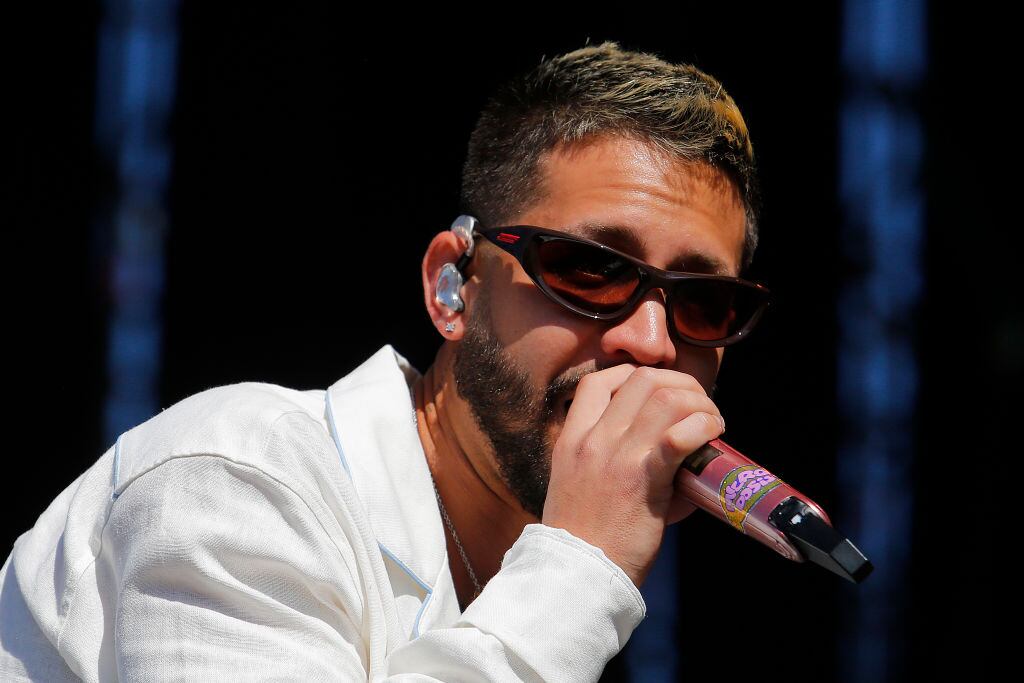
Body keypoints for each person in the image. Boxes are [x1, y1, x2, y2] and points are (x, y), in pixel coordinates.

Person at [0, 41, 766, 681]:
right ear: (452, 288)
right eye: (588, 268)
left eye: (704, 305)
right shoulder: (239, 477)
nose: (654, 342)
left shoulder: (540, 587)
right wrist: (581, 567)